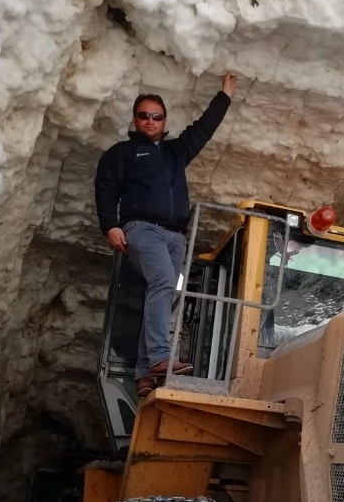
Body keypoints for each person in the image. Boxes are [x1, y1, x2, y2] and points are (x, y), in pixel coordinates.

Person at [95, 71, 238, 398]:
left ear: (164, 120)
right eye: (143, 116)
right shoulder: (121, 154)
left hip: (176, 236)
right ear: (135, 119)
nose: (150, 121)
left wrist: (225, 94)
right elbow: (105, 188)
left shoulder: (176, 151)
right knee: (162, 282)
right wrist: (110, 225)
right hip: (142, 229)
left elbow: (204, 128)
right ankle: (160, 357)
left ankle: (145, 374)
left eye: (156, 117)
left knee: (166, 292)